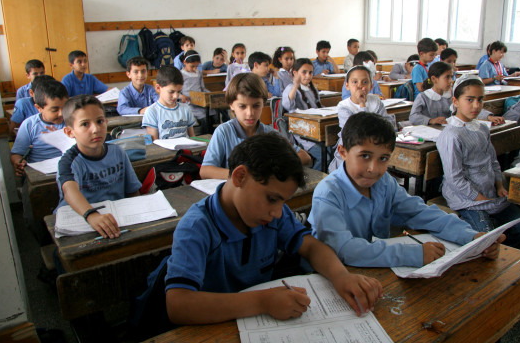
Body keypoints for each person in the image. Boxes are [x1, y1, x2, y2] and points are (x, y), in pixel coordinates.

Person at [165, 133, 384, 325]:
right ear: (240, 177)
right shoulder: (197, 227)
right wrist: (263, 301)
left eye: (283, 202)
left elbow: (311, 247)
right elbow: (178, 304)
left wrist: (341, 276)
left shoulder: (271, 216)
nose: (278, 213)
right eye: (272, 199)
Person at [309, 112, 505, 267]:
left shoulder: (384, 183)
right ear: (343, 152)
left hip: (372, 267)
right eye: (365, 156)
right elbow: (345, 250)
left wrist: (472, 237)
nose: (374, 169)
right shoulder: (328, 193)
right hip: (329, 275)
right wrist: (413, 254)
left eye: (383, 158)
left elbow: (421, 213)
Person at [436, 75, 520, 246]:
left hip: (490, 191)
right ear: (455, 101)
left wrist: (499, 184)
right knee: (487, 240)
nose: (476, 105)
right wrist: (477, 196)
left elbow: (492, 161)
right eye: (470, 99)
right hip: (466, 198)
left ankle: (503, 257)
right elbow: (454, 178)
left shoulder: (481, 128)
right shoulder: (451, 135)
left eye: (480, 100)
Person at [56, 95, 141, 239]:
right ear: (70, 132)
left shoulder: (118, 152)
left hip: (116, 218)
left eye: (100, 121)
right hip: (80, 218)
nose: (95, 129)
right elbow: (69, 190)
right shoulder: (69, 162)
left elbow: (133, 191)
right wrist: (91, 214)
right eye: (85, 124)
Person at [200, 73, 311, 179]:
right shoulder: (223, 132)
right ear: (231, 105)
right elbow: (205, 171)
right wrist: (245, 175)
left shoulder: (270, 134)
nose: (250, 113)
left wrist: (274, 167)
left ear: (263, 103)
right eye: (242, 106)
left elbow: (305, 157)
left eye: (256, 106)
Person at [328, 66, 394, 173]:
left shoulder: (376, 101)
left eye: (365, 82)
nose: (360, 86)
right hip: (350, 145)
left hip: (375, 144)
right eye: (355, 82)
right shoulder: (344, 106)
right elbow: (356, 131)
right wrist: (362, 104)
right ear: (347, 85)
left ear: (371, 85)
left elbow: (387, 123)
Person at [409, 62, 503, 126]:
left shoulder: (453, 95)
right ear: (434, 79)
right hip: (430, 132)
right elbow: (413, 117)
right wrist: (431, 120)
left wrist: (488, 117)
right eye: (447, 77)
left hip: (452, 129)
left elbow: (468, 108)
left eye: (452, 77)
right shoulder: (423, 97)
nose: (451, 81)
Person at [10, 79, 69, 176]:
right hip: (39, 174)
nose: (61, 113)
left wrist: (64, 138)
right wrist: (18, 162)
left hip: (69, 170)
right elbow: (16, 154)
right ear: (39, 108)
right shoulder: (29, 125)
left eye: (65, 107)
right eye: (55, 110)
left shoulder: (72, 121)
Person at [282, 59, 324, 170]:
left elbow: (318, 108)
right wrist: (295, 85)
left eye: (310, 72)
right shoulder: (291, 88)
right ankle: (315, 180)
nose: (308, 76)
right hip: (302, 132)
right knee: (323, 156)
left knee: (330, 150)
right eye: (304, 72)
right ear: (295, 73)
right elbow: (287, 105)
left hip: (316, 129)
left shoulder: (312, 89)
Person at [142, 65, 195, 140]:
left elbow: (192, 137)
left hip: (185, 150)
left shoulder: (186, 109)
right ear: (158, 88)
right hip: (163, 151)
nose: (176, 96)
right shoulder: (152, 112)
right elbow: (154, 145)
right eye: (171, 92)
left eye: (179, 91)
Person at [179, 50, 216, 134]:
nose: (195, 68)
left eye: (197, 66)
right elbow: (176, 91)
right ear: (185, 62)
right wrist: (181, 96)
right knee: (204, 119)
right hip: (189, 103)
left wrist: (210, 94)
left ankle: (211, 135)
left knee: (213, 115)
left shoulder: (198, 73)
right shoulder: (180, 74)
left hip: (200, 101)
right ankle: (204, 136)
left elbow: (203, 88)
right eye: (192, 66)